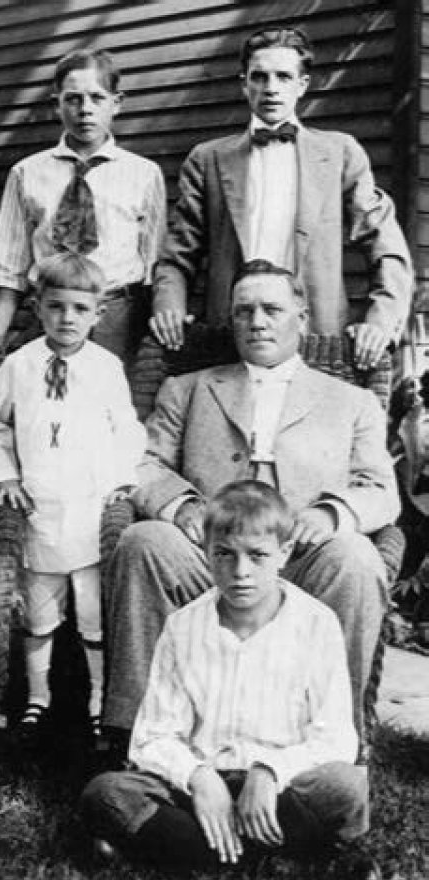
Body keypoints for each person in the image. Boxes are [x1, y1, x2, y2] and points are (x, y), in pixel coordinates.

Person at [103, 259, 399, 754]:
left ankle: (334, 743)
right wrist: (181, 506)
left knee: (356, 559)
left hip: (299, 558)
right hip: (210, 555)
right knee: (144, 541)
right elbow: (144, 463)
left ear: (302, 318)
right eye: (244, 311)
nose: (257, 321)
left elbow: (380, 488)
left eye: (271, 309)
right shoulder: (187, 388)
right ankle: (134, 738)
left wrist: (330, 515)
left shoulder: (351, 402)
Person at [81, 482, 385, 880]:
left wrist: (269, 771)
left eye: (258, 555)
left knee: (346, 787)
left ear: (285, 553)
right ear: (206, 552)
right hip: (200, 784)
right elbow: (153, 736)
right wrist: (199, 778)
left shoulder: (316, 624)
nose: (241, 572)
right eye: (225, 554)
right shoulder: (183, 626)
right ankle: (275, 850)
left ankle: (187, 848)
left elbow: (335, 738)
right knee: (106, 793)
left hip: (282, 787)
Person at [150, 26, 413, 372]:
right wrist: (168, 307)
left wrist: (380, 321)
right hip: (233, 332)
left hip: (316, 335)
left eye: (283, 77)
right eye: (259, 77)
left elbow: (386, 246)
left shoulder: (339, 153)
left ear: (302, 85)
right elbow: (176, 255)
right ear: (244, 84)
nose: (271, 88)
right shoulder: (209, 159)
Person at [0, 252, 145, 743]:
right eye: (56, 306)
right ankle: (38, 697)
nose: (67, 318)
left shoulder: (106, 368)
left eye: (80, 309)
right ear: (38, 307)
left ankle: (98, 700)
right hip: (39, 507)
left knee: (92, 615)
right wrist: (6, 476)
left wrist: (120, 480)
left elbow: (126, 428)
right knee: (39, 613)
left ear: (98, 314)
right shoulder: (19, 365)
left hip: (89, 507)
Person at [0, 49, 166, 365]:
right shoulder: (27, 172)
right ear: (56, 104)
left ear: (117, 103)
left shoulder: (144, 174)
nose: (85, 110)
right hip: (50, 310)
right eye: (73, 99)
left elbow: (154, 261)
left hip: (116, 316)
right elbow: (9, 266)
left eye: (97, 98)